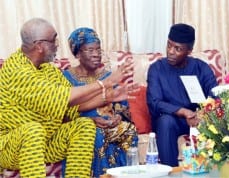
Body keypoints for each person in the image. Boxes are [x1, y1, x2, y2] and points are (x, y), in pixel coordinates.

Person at [0, 18, 133, 177]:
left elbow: (72, 103)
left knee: (84, 125)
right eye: (53, 40)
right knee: (32, 129)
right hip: (11, 147)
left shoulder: (48, 70)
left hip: (46, 142)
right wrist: (105, 83)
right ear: (39, 46)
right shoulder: (17, 70)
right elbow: (63, 96)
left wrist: (107, 97)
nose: (57, 44)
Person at [63, 27, 138, 177]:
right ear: (77, 53)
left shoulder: (108, 76)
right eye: (90, 50)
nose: (96, 54)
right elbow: (62, 112)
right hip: (83, 126)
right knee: (96, 134)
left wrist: (118, 116)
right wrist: (91, 120)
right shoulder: (66, 78)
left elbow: (122, 106)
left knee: (129, 129)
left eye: (98, 49)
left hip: (110, 125)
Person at [146, 23, 218, 167]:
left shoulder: (201, 68)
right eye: (169, 45)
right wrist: (183, 112)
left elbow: (215, 96)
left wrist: (200, 115)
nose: (171, 51)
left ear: (189, 51)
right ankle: (170, 172)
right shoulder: (157, 69)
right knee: (166, 122)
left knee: (219, 121)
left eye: (178, 49)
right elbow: (154, 102)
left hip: (198, 119)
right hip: (171, 120)